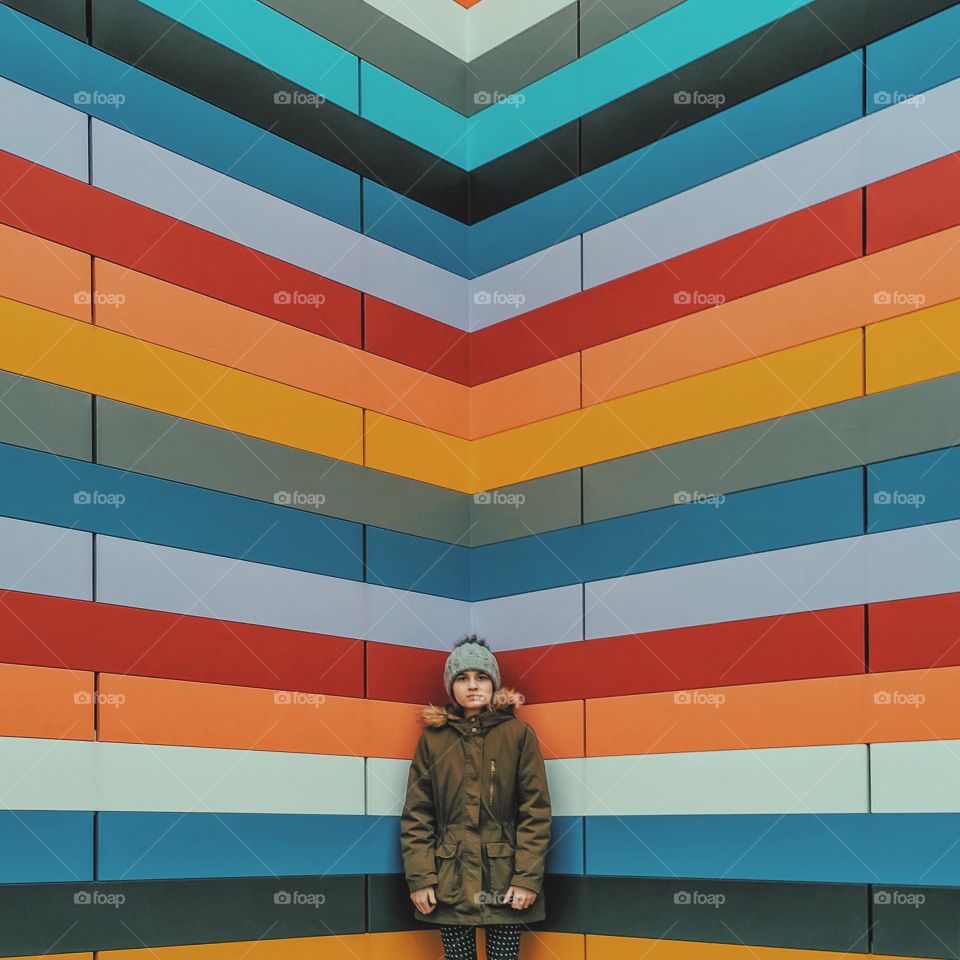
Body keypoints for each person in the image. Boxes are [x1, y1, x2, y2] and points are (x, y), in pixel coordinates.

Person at [400, 634, 552, 960]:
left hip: (505, 879)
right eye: (462, 678)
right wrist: (421, 879)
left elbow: (535, 811)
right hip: (448, 880)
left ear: (494, 683)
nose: (473, 685)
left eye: (481, 676)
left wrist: (526, 878)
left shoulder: (517, 735)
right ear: (450, 687)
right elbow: (417, 814)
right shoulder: (433, 740)